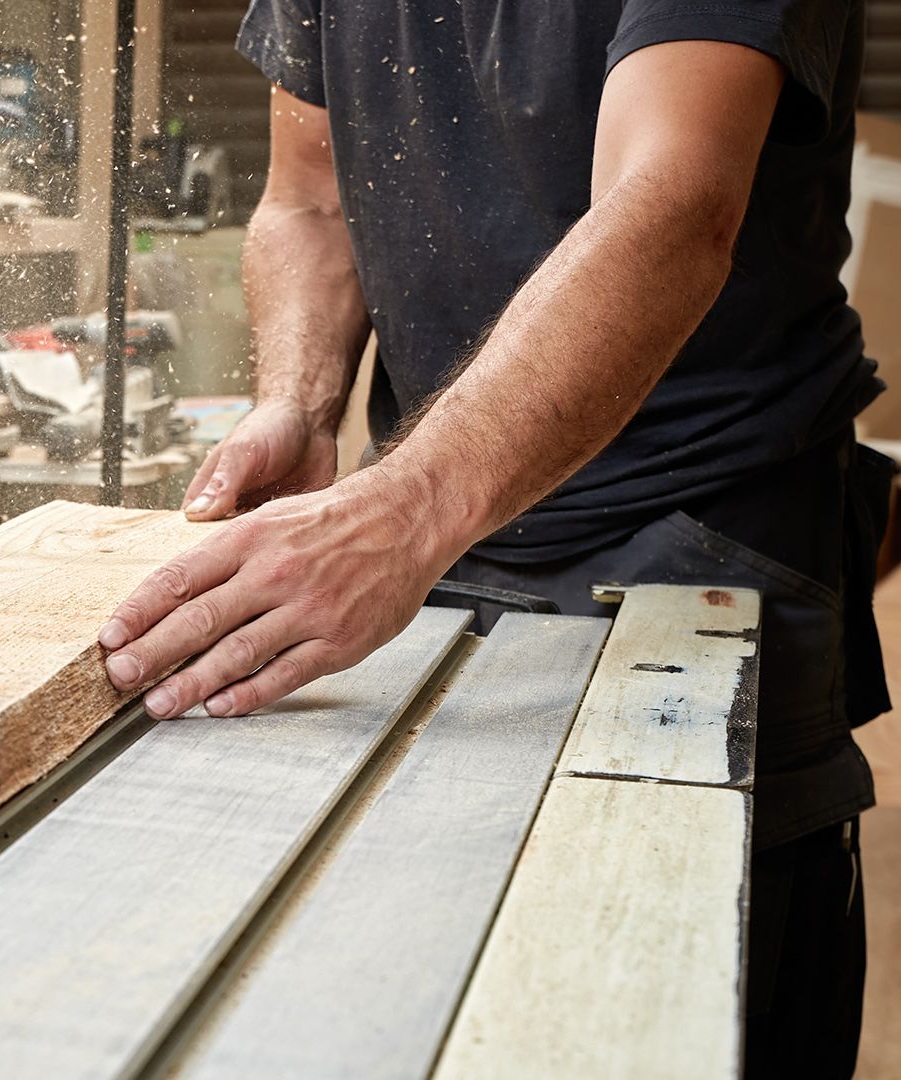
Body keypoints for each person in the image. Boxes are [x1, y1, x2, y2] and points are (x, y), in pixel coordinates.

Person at [97, 1, 884, 1072]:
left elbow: (674, 200)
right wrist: (298, 400)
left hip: (692, 541)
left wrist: (401, 513)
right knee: (412, 997)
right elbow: (312, 201)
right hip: (434, 546)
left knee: (653, 1010)